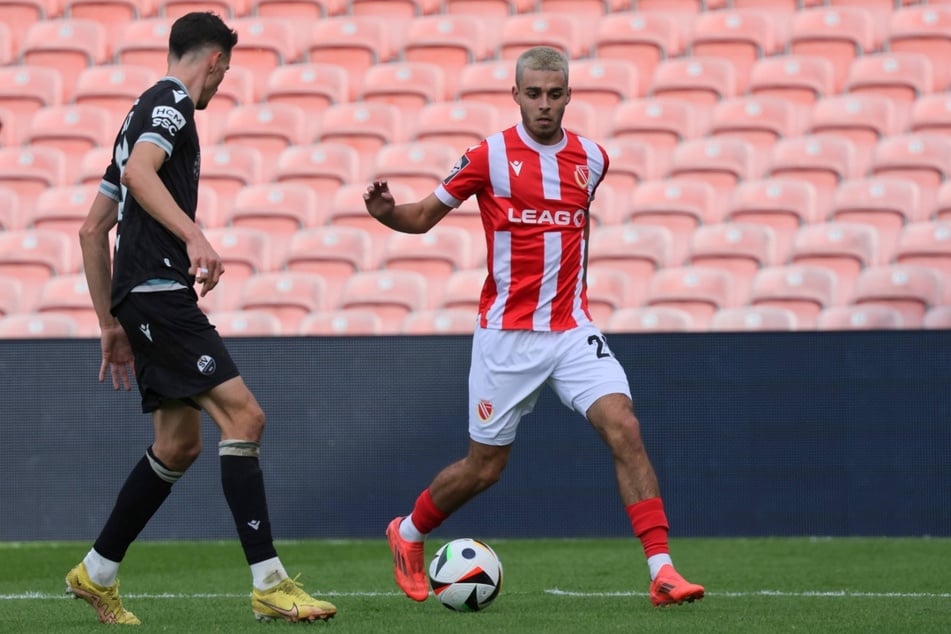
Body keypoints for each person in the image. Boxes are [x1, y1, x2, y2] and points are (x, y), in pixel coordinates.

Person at [365, 46, 705, 608]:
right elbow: (423, 217)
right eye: (534, 93)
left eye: (554, 93)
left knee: (624, 426)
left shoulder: (592, 159)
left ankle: (663, 571)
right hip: (506, 336)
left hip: (572, 328)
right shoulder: (489, 156)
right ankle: (408, 533)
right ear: (516, 95)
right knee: (484, 469)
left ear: (569, 95)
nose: (544, 104)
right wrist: (387, 213)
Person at [68, 12, 336, 625]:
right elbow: (141, 173)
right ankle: (269, 582)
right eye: (226, 72)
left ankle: (97, 571)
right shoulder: (171, 104)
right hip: (161, 293)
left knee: (178, 444)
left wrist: (111, 323)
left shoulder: (135, 113)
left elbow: (92, 230)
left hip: (139, 299)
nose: (220, 86)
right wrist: (195, 236)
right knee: (245, 416)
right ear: (214, 60)